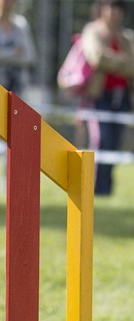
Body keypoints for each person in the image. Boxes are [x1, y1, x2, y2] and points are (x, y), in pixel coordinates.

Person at [79, 0, 134, 196]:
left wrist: (112, 60)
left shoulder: (127, 37)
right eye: (110, 7)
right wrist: (122, 61)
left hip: (122, 97)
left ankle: (105, 190)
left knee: (115, 144)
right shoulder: (93, 31)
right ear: (102, 9)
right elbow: (97, 58)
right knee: (100, 141)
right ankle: (92, 189)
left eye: (118, 8)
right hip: (98, 96)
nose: (113, 12)